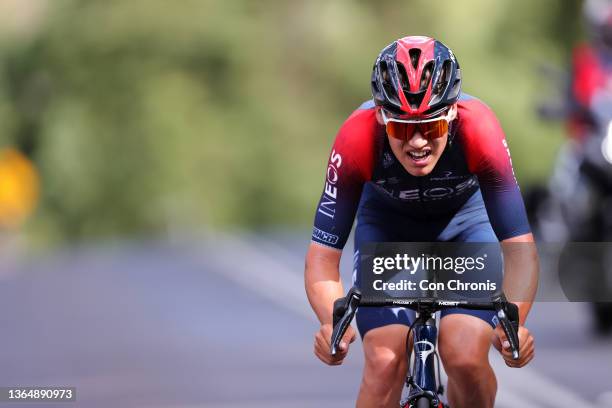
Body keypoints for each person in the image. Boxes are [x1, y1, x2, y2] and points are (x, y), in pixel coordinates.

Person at [304, 36, 539, 408]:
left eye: (431, 128)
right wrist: (334, 324)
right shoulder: (356, 137)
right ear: (381, 118)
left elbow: (519, 248)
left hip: (465, 228)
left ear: (452, 116)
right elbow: (322, 259)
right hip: (388, 230)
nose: (416, 143)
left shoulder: (481, 130)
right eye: (401, 128)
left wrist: (512, 327)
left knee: (464, 355)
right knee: (384, 361)